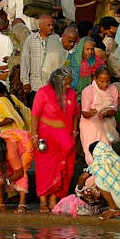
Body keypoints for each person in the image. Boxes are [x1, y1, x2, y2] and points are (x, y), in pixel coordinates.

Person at [31, 67, 79, 212]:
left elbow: (75, 113)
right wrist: (34, 135)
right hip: (47, 137)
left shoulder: (71, 94)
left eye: (69, 83)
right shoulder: (43, 92)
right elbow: (35, 116)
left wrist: (75, 130)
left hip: (65, 138)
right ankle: (43, 201)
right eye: (65, 84)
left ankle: (54, 199)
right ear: (57, 82)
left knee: (63, 168)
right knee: (45, 169)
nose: (68, 87)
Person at [20, 14, 64, 105]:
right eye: (48, 25)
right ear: (40, 26)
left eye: (52, 25)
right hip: (35, 85)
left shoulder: (56, 39)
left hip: (51, 85)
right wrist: (25, 81)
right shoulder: (31, 39)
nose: (51, 27)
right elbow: (25, 61)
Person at [80, 65, 118, 163]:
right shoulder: (88, 91)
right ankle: (93, 176)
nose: (105, 84)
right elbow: (85, 113)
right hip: (91, 126)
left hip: (107, 126)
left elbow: (114, 110)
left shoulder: (113, 89)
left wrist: (106, 112)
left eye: (107, 81)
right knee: (92, 155)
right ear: (95, 78)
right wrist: (91, 113)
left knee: (107, 154)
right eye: (102, 81)